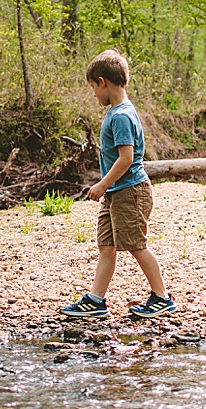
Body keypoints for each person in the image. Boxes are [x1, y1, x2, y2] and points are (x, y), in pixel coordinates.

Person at [60, 49, 175, 319]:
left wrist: (102, 184)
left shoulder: (121, 116)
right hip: (116, 193)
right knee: (106, 246)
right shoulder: (117, 112)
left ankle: (162, 297)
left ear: (102, 82)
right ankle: (95, 300)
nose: (93, 95)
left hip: (130, 191)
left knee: (136, 245)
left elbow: (127, 158)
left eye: (93, 88)